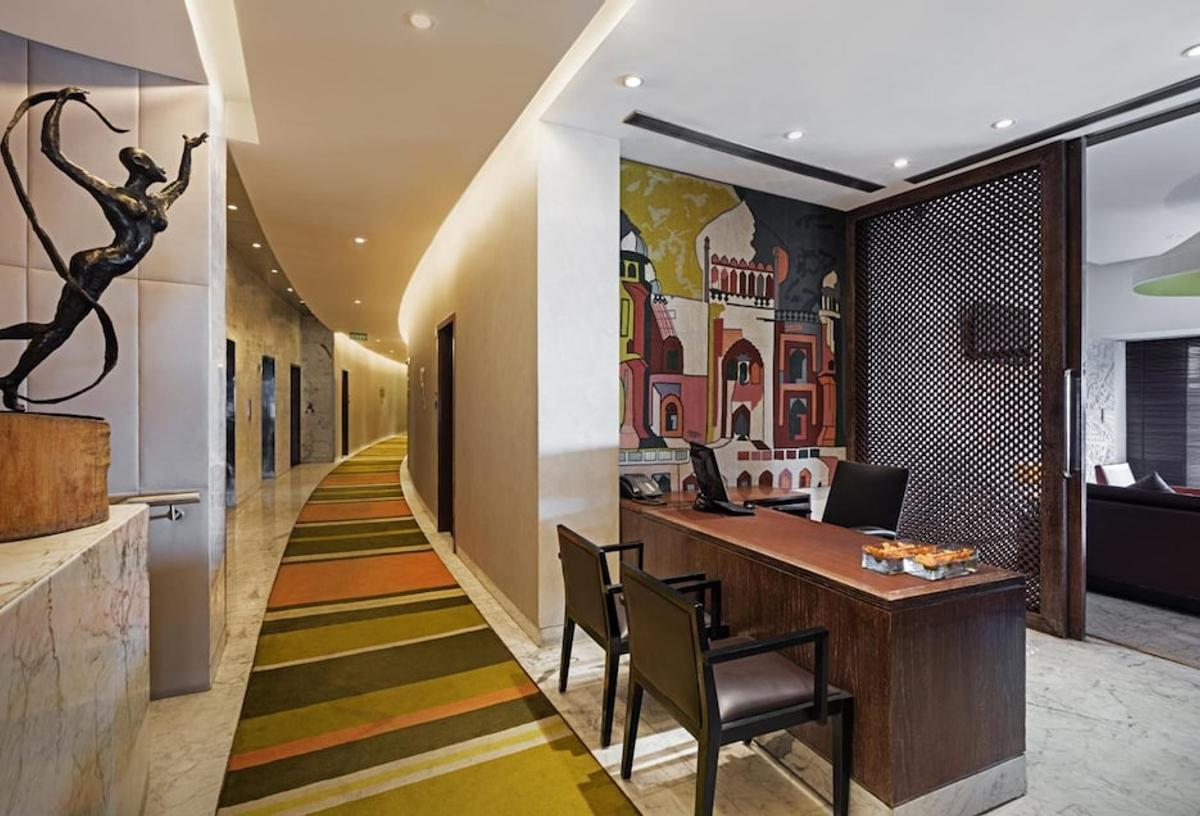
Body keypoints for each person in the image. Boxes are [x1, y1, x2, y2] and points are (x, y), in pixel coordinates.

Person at [0, 86, 207, 411]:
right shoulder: (114, 194)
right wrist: (60, 101)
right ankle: (11, 381)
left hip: (105, 269)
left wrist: (188, 149)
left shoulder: (157, 202)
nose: (160, 168)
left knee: (56, 329)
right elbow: (53, 152)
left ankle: (11, 380)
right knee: (59, 331)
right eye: (152, 162)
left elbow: (181, 184)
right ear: (139, 163)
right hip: (98, 265)